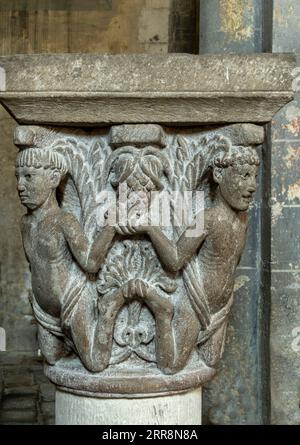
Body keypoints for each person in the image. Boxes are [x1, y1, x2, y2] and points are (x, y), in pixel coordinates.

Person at [16, 148, 117, 372]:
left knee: (95, 363)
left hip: (72, 303)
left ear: (53, 179)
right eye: (18, 177)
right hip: (44, 312)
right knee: (52, 359)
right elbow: (35, 265)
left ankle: (112, 306)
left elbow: (91, 263)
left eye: (29, 176)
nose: (20, 186)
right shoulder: (25, 223)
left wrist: (111, 226)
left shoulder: (64, 221)